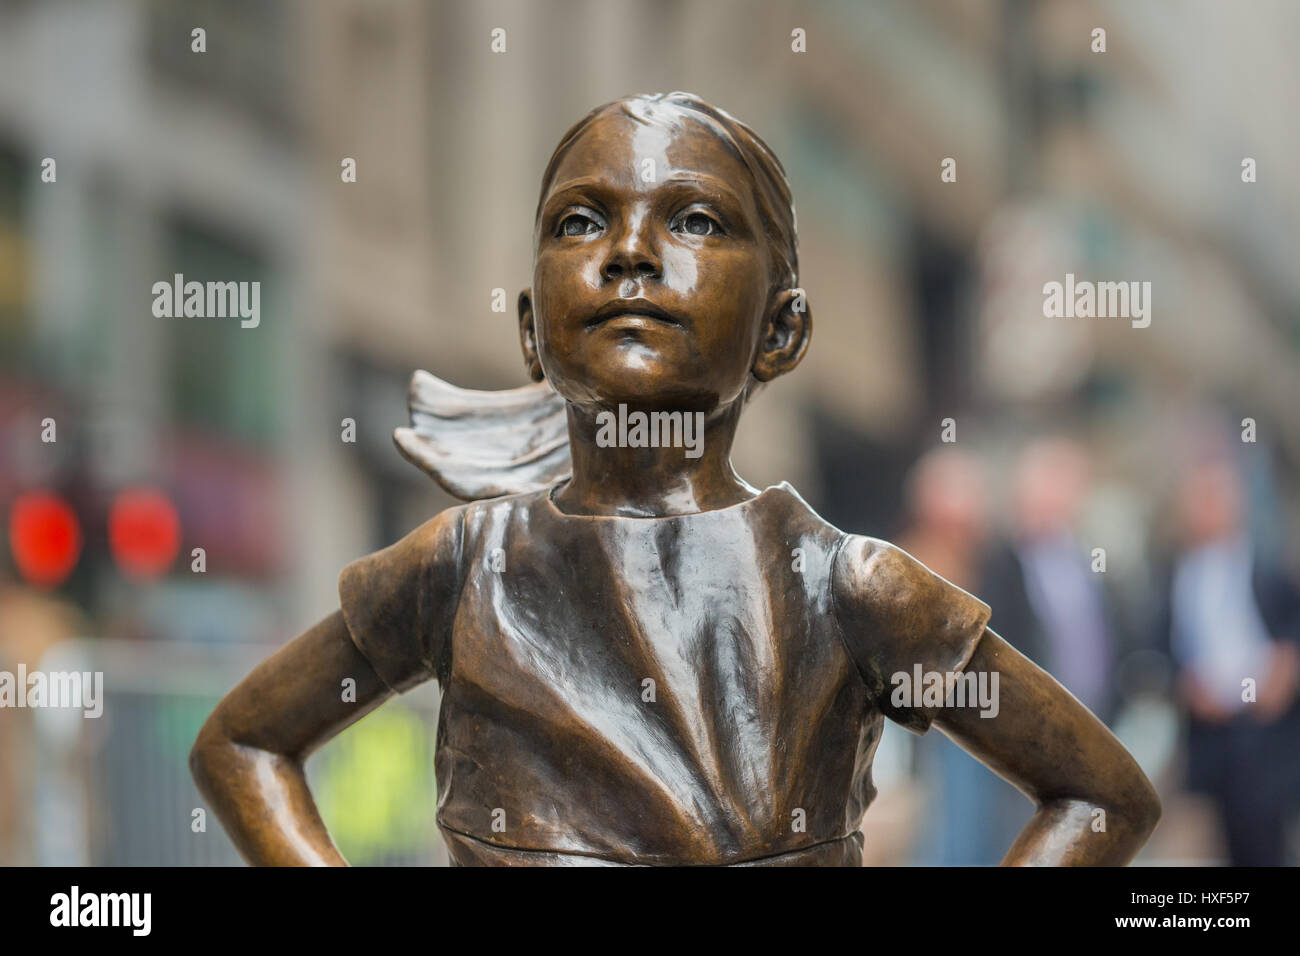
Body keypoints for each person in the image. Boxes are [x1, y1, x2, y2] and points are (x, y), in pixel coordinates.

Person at [190, 92, 1159, 866]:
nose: (628, 254)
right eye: (580, 221)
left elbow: (1100, 795)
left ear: (781, 327)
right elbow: (243, 743)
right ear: (531, 328)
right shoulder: (463, 569)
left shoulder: (846, 588)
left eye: (694, 219)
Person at [1160, 457, 1300, 865]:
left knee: (1267, 838)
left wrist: (1286, 668)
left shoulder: (1268, 565)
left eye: (1216, 498)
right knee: (1222, 842)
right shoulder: (1175, 576)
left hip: (1266, 728)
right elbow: (1157, 649)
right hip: (1211, 732)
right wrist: (1185, 684)